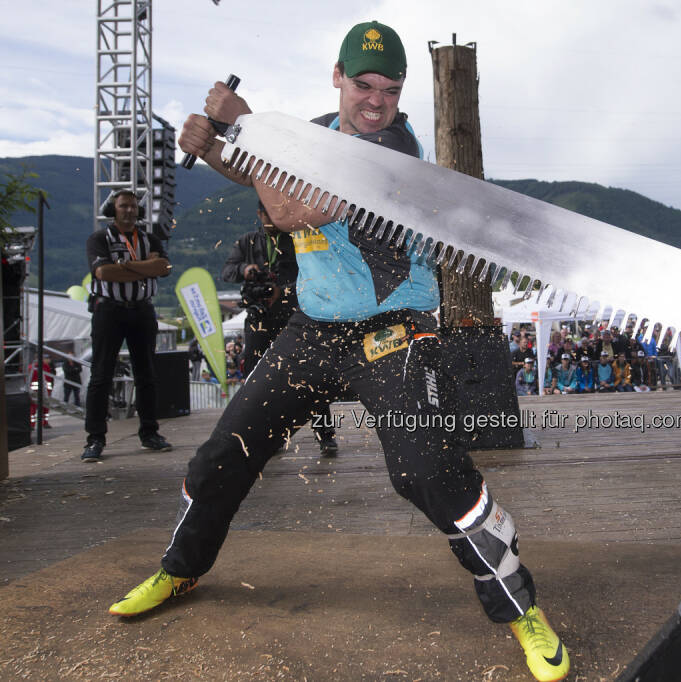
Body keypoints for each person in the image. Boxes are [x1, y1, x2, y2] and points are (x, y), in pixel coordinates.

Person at [109, 21, 568, 682]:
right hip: (314, 326)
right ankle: (180, 570)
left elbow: (294, 210)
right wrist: (210, 144)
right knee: (226, 450)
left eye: (390, 87)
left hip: (392, 328)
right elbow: (256, 178)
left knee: (424, 468)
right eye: (364, 84)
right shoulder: (314, 131)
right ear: (337, 77)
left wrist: (243, 124)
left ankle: (517, 601)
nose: (376, 99)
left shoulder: (394, 150)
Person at [222, 202, 340, 455]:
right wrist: (246, 269)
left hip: (293, 316)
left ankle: (325, 433)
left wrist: (283, 290)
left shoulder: (297, 239)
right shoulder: (247, 242)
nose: (274, 219)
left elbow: (313, 275)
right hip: (258, 315)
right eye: (269, 214)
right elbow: (227, 271)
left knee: (310, 374)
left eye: (278, 214)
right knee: (256, 377)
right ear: (260, 214)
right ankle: (264, 436)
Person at [81, 190, 173, 462]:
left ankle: (150, 433)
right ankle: (95, 438)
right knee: (101, 375)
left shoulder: (149, 237)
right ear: (114, 209)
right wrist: (146, 266)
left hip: (142, 310)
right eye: (124, 206)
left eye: (133, 206)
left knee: (146, 374)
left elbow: (164, 268)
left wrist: (126, 265)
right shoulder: (99, 238)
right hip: (109, 309)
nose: (130, 211)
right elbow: (103, 272)